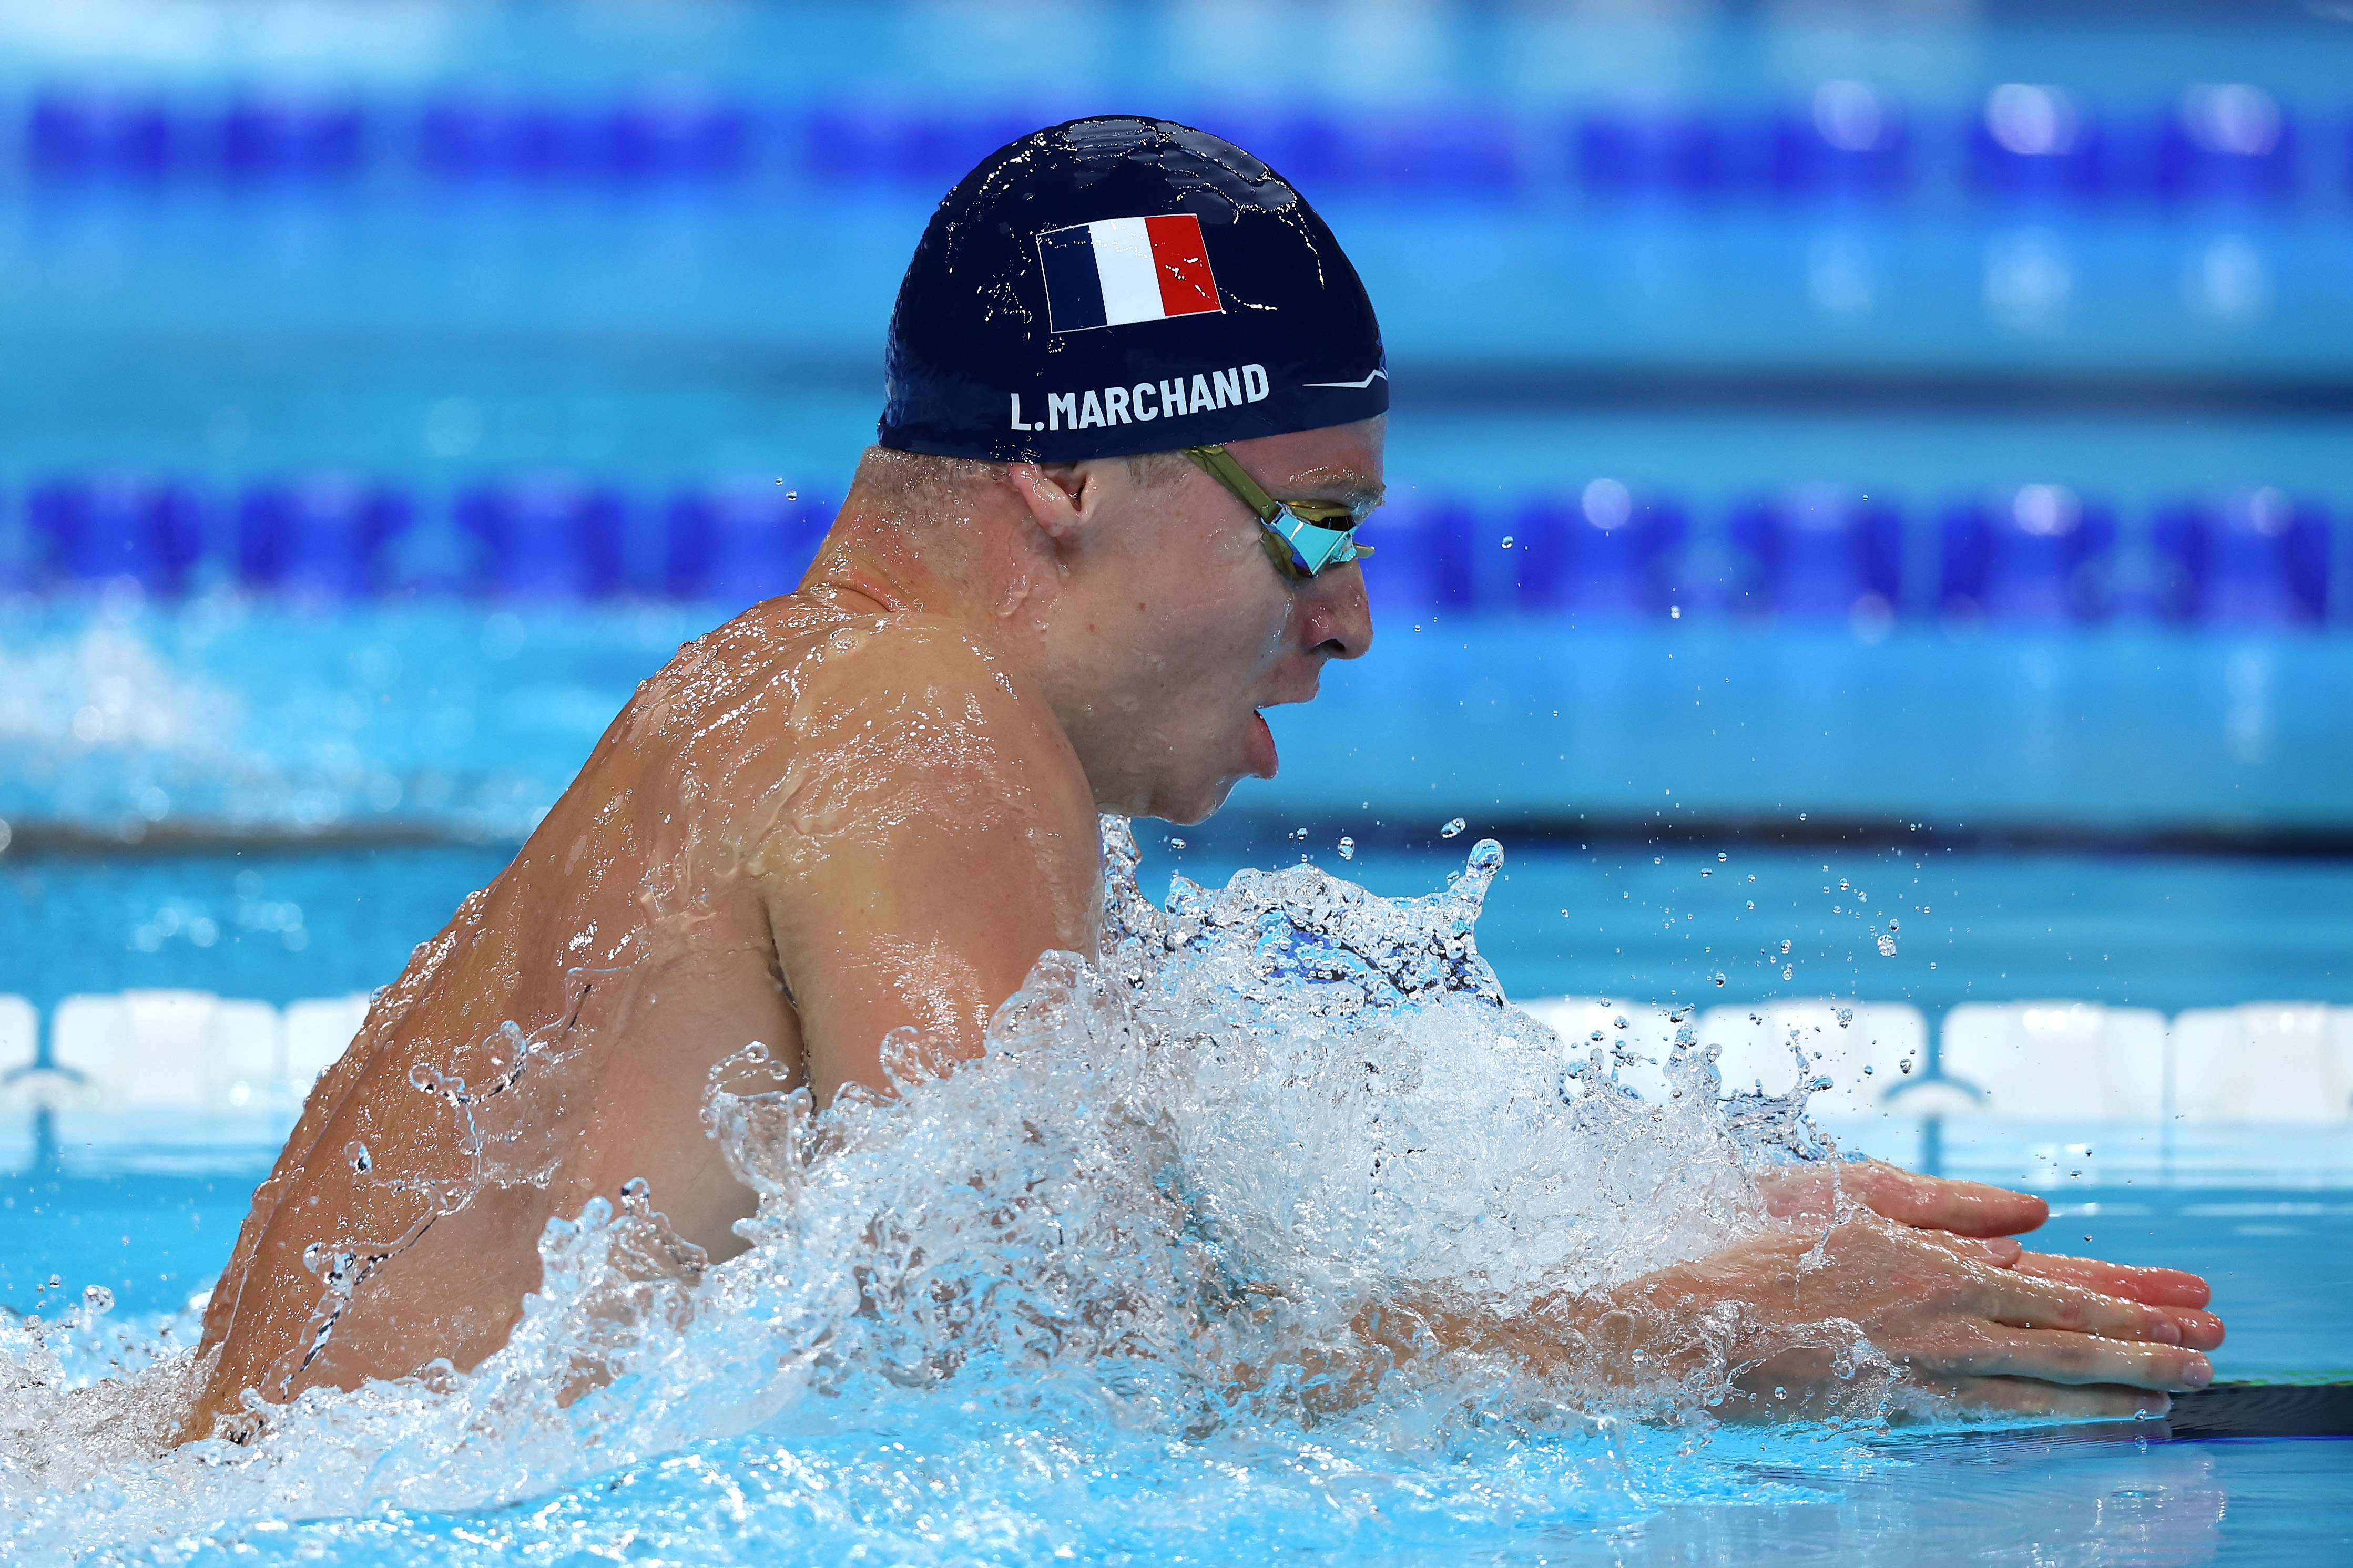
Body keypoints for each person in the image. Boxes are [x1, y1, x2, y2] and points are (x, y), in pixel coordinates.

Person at [180, 118, 2218, 1443]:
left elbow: (1125, 1242)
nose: (1349, 625)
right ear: (1069, 469)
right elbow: (1037, 1360)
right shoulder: (920, 724)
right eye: (1317, 533)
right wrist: (1693, 1330)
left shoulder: (793, 707)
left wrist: (1664, 1221)